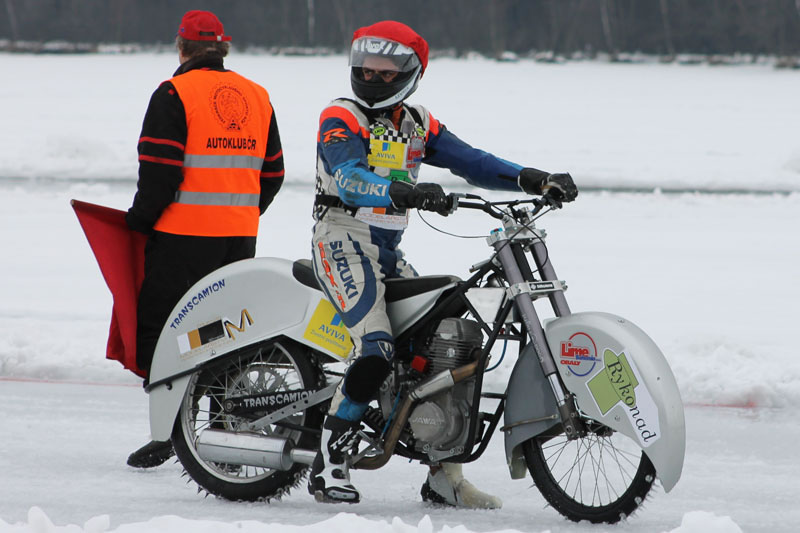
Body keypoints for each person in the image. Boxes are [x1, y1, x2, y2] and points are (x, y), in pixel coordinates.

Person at [308, 20, 578, 507]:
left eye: (388, 70)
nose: (374, 76)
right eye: (366, 67)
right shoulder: (340, 116)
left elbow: (470, 161)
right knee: (374, 350)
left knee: (445, 341)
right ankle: (329, 463)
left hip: (387, 250)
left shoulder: (415, 121)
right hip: (341, 241)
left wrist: (534, 179)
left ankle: (443, 476)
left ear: (412, 71)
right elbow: (348, 178)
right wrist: (404, 191)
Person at [124, 10, 285, 468]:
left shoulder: (173, 93)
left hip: (180, 239)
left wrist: (139, 221)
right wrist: (241, 215)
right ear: (223, 48)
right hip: (237, 242)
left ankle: (170, 434)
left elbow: (159, 171)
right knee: (227, 333)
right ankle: (222, 433)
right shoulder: (257, 96)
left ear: (182, 48)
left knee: (168, 335)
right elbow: (272, 174)